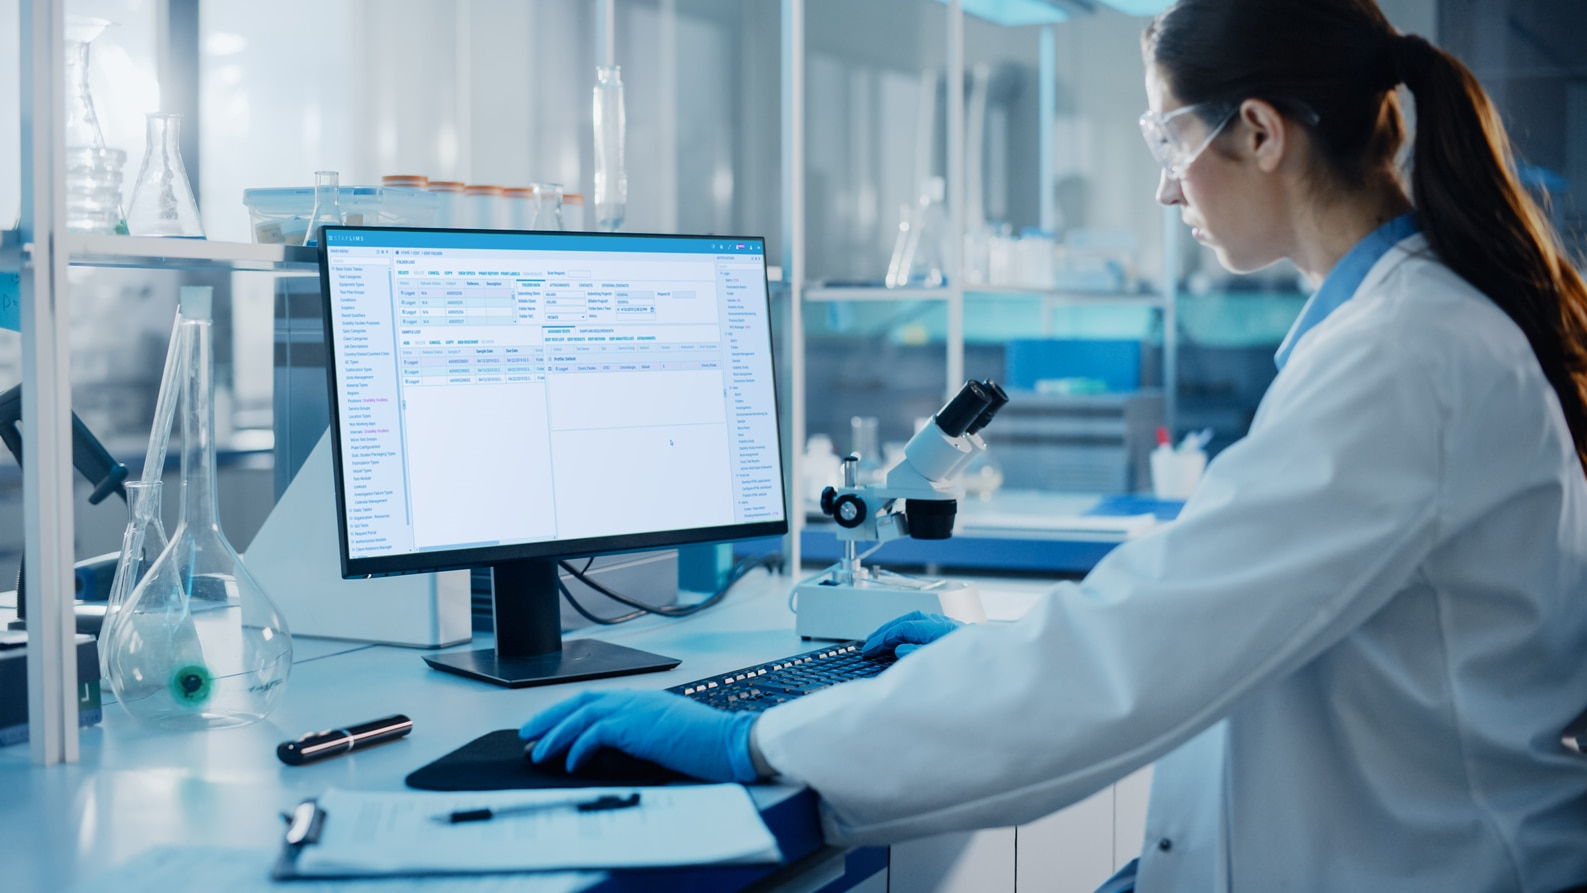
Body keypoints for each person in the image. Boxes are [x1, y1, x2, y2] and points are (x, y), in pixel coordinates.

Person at [521, 1, 1587, 889]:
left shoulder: (1409, 357)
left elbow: (1134, 654)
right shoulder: (1399, 332)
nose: (1168, 185)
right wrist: (974, 664)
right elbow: (1207, 631)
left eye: (1170, 141)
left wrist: (751, 741)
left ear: (1261, 133)